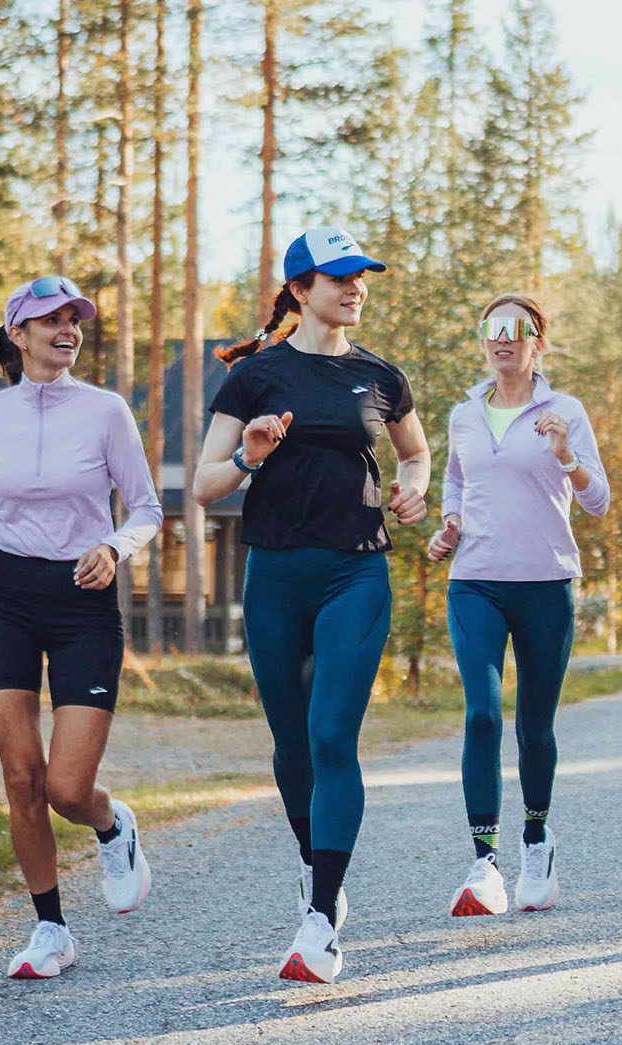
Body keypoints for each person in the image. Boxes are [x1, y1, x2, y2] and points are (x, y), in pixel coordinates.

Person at [193, 226, 430, 984]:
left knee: (332, 735)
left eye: (361, 275)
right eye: (338, 277)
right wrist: (247, 458)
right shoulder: (255, 378)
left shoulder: (381, 376)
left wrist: (416, 485)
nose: (355, 287)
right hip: (275, 576)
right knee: (292, 745)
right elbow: (202, 485)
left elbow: (415, 451)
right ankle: (313, 866)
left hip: (356, 572)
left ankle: (322, 917)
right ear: (300, 291)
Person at [0, 275, 162, 980]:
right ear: (18, 334)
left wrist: (113, 548)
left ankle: (108, 823)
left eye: (74, 319)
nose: (67, 328)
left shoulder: (105, 410)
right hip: (6, 596)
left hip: (82, 599)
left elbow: (147, 509)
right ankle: (51, 930)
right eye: (50, 319)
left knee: (66, 787)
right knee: (20, 778)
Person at [426, 294, 610, 918]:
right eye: (492, 329)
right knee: (481, 714)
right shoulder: (464, 413)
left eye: (518, 329)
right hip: (475, 579)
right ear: (483, 339)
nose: (504, 339)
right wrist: (449, 521)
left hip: (545, 583)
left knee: (534, 725)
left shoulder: (566, 411)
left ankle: (536, 839)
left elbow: (599, 502)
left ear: (539, 343)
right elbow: (456, 479)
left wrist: (568, 458)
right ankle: (485, 864)